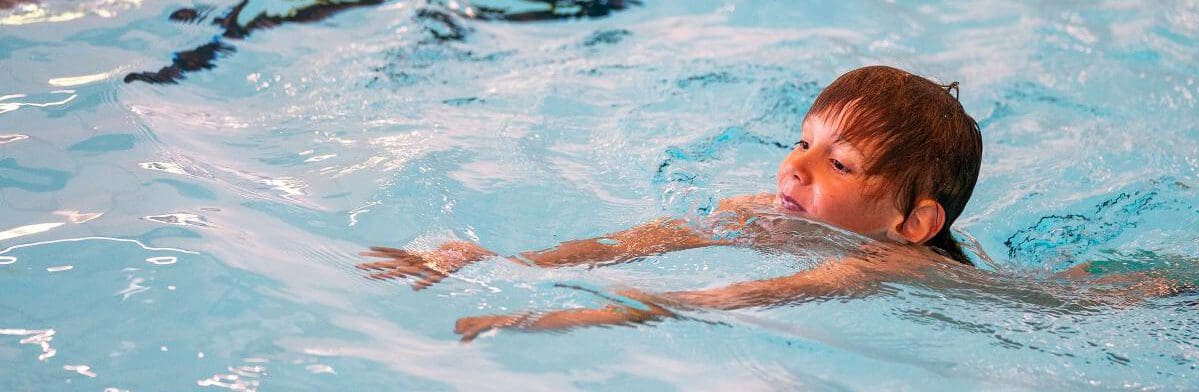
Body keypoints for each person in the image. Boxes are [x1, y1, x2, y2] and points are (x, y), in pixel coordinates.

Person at [357, 65, 989, 341]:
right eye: (802, 141)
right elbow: (638, 242)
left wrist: (548, 320)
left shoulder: (882, 265)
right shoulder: (766, 209)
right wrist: (504, 260)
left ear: (914, 224)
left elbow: (713, 303)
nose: (794, 168)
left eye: (838, 163)